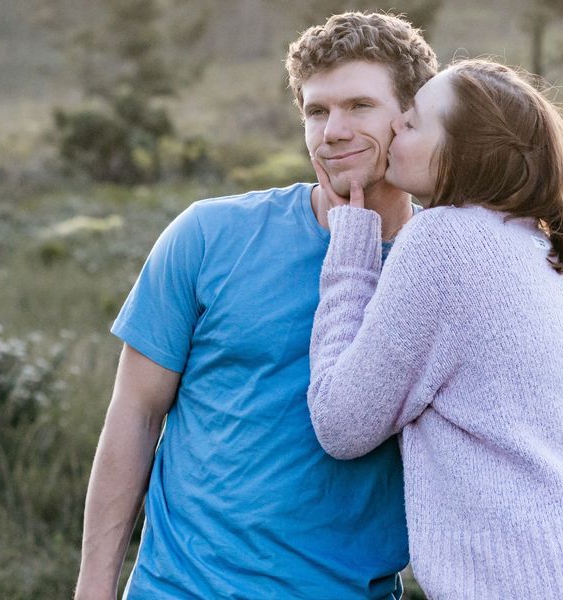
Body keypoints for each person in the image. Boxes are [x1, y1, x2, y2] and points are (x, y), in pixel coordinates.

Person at [73, 12, 438, 600]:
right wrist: (93, 589)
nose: (332, 132)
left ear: (413, 114)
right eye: (316, 112)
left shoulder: (443, 271)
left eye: (359, 107)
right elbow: (134, 416)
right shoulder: (209, 235)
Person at [307, 59, 563, 599]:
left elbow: (341, 423)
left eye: (414, 122)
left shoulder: (441, 241)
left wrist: (352, 255)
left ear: (461, 151)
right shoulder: (552, 255)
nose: (395, 126)